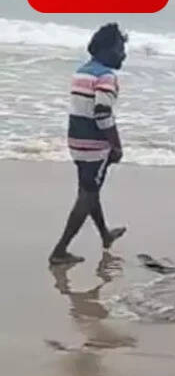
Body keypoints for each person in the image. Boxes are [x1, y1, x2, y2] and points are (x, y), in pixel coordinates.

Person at [49, 23, 129, 266]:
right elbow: (103, 114)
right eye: (120, 48)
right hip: (95, 146)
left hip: (76, 141)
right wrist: (116, 146)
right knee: (87, 195)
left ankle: (105, 235)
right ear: (106, 50)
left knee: (89, 190)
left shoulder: (81, 72)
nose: (123, 54)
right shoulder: (106, 77)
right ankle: (60, 250)